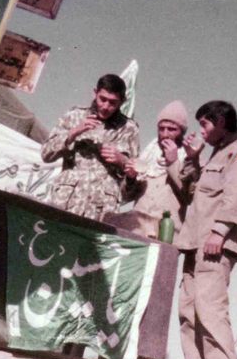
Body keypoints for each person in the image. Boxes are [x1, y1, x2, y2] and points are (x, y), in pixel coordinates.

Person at [174, 100, 237, 359]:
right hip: (194, 242)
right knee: (189, 306)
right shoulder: (214, 156)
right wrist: (193, 160)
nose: (202, 131)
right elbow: (193, 192)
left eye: (205, 124)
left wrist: (220, 230)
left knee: (210, 306)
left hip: (214, 243)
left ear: (221, 122)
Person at [40, 74, 139, 221]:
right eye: (102, 99)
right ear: (95, 93)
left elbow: (131, 185)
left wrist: (122, 161)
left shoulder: (129, 129)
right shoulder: (74, 116)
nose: (105, 106)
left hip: (101, 212)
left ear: (122, 101)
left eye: (113, 102)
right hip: (66, 204)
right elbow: (46, 154)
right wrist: (74, 132)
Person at [104, 100, 189, 239]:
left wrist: (173, 163)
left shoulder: (190, 159)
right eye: (161, 128)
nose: (165, 134)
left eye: (172, 129)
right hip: (138, 229)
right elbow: (126, 197)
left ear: (182, 132)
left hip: (166, 233)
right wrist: (131, 178)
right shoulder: (148, 156)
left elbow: (190, 195)